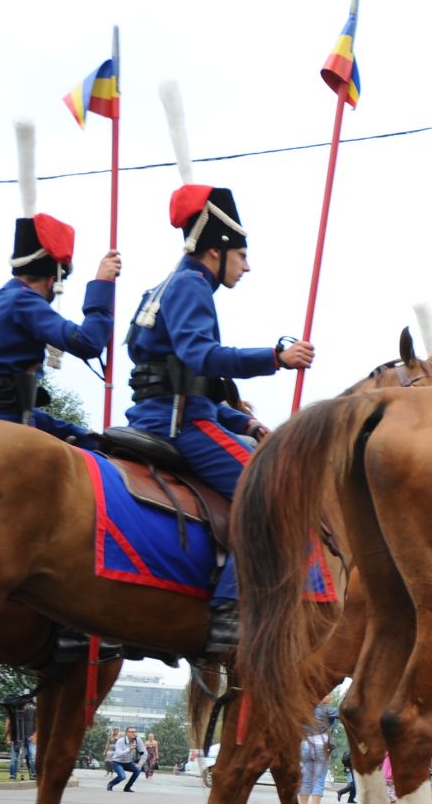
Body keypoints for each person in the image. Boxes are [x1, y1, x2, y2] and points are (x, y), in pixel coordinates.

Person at [124, 180, 315, 657]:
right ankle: (230, 611)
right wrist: (276, 356)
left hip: (165, 412)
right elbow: (202, 356)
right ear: (217, 250)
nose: (247, 266)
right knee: (277, 493)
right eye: (242, 255)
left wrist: (245, 423)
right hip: (181, 426)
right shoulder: (191, 284)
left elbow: (188, 380)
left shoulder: (163, 286)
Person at [0, 198, 117, 444]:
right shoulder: (25, 302)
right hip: (7, 424)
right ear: (53, 280)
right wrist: (102, 285)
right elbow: (88, 343)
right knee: (92, 458)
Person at [299, 704, 332, 804]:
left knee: (306, 780)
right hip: (321, 745)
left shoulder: (305, 707)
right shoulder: (326, 709)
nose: (330, 696)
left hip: (306, 744)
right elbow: (343, 713)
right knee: (319, 780)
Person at [3, 694, 38, 780]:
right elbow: (8, 724)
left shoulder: (33, 710)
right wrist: (8, 737)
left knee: (32, 756)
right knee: (14, 757)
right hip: (16, 736)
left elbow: (39, 723)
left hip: (30, 736)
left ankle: (34, 774)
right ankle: (13, 775)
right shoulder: (13, 710)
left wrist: (35, 735)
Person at [105, 726, 142, 791]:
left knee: (137, 770)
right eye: (132, 732)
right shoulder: (121, 741)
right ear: (127, 733)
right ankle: (110, 784)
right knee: (122, 776)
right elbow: (119, 754)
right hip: (117, 762)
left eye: (135, 732)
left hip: (128, 762)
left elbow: (142, 752)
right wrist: (129, 749)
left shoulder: (136, 741)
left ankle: (127, 788)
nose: (134, 733)